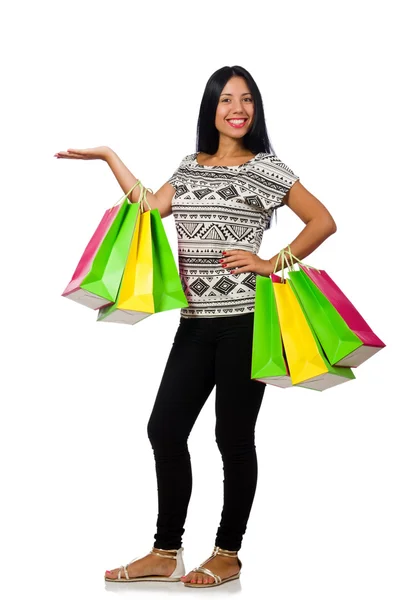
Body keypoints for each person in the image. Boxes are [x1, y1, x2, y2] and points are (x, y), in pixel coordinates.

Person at [54, 65, 336, 588]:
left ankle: (228, 553)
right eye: (227, 98)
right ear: (211, 108)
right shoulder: (190, 166)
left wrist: (271, 262)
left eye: (247, 99)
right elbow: (149, 207)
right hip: (194, 322)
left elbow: (323, 220)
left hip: (247, 322)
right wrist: (110, 157)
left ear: (256, 109)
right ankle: (166, 552)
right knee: (164, 429)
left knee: (232, 436)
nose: (238, 108)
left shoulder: (268, 169)